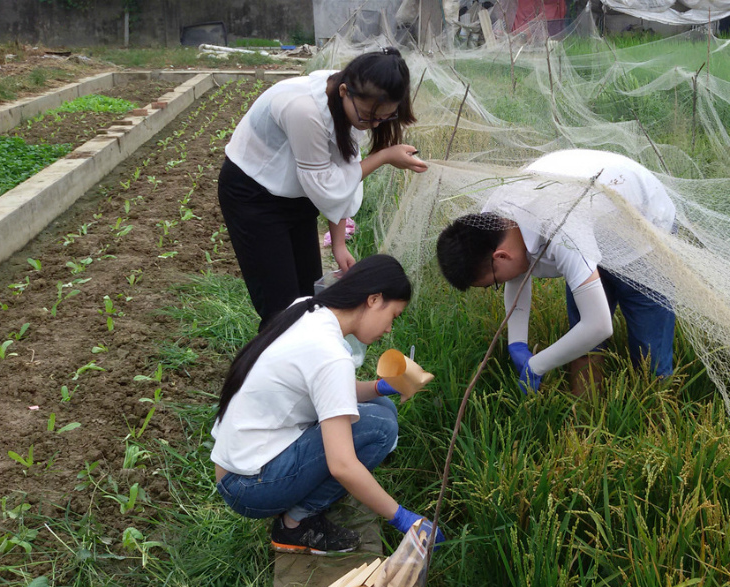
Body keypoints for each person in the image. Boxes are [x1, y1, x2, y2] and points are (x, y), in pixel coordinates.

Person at [211, 255, 444, 554]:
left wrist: (381, 387)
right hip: (249, 486)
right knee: (381, 429)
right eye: (393, 316)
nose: (389, 329)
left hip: (241, 463)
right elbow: (342, 465)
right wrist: (403, 518)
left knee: (384, 408)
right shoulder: (330, 353)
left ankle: (299, 498)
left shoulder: (309, 307)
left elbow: (330, 391)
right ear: (374, 300)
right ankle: (295, 525)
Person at [218, 48, 427, 330]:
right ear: (344, 91)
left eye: (384, 117)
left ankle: (304, 365)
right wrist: (385, 156)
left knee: (308, 298)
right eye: (368, 116)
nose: (373, 124)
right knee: (281, 308)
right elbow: (328, 186)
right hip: (253, 195)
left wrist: (338, 243)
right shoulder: (304, 110)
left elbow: (341, 169)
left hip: (297, 195)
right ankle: (268, 368)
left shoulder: (350, 102)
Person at [435, 149, 676, 394]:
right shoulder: (492, 220)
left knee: (650, 353)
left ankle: (657, 413)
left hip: (642, 225)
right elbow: (514, 273)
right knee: (583, 347)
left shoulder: (563, 230)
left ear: (501, 256)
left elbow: (598, 326)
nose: (500, 285)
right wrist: (517, 342)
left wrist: (537, 365)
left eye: (493, 283)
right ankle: (585, 421)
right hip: (591, 216)